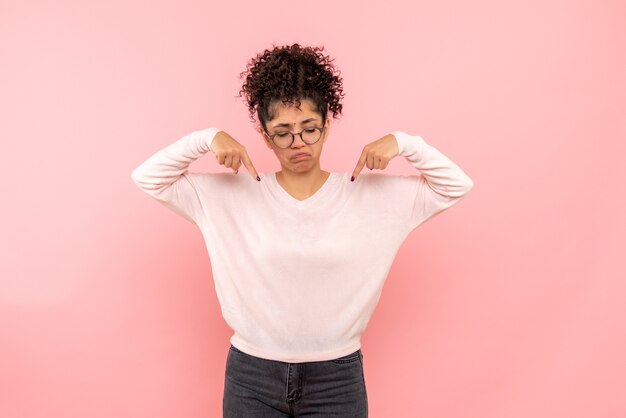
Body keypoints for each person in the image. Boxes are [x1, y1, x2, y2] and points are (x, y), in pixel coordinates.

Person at [131, 43, 474, 418]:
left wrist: (404, 143)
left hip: (337, 380)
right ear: (264, 137)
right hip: (251, 376)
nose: (298, 144)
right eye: (282, 132)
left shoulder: (369, 195)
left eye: (309, 129)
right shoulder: (230, 195)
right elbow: (148, 178)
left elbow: (456, 185)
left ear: (327, 126)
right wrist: (206, 138)